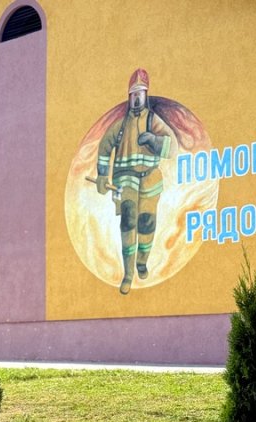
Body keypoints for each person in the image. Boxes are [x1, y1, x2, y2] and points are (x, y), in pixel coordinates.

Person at [95, 68, 172, 295]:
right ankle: (128, 274)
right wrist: (101, 175)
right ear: (128, 97)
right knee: (128, 222)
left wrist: (155, 141)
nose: (137, 97)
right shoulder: (121, 125)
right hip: (125, 180)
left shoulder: (152, 120)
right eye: (133, 93)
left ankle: (142, 262)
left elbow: (171, 146)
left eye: (141, 93)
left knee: (147, 222)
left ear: (146, 95)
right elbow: (104, 147)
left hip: (149, 180)